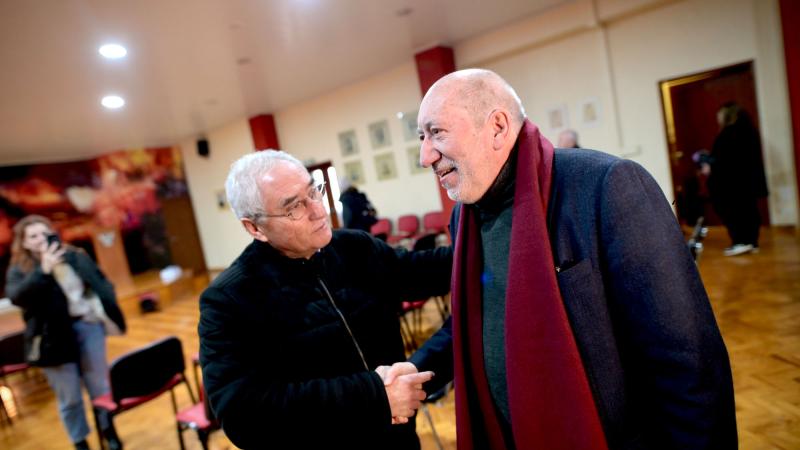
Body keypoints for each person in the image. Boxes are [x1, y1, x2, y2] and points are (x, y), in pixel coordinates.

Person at [381, 69, 737, 449]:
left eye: (436, 132)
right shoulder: (465, 218)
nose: (425, 156)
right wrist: (417, 368)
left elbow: (687, 361)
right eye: (421, 137)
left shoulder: (607, 185)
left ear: (497, 127)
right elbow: (477, 318)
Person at [197, 150, 452, 449]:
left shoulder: (354, 247)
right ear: (255, 227)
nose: (318, 210)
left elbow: (423, 271)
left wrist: (486, 243)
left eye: (313, 192)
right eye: (294, 207)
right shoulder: (229, 299)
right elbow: (243, 414)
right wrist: (374, 395)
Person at [5, 215, 126, 450]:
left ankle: (108, 431)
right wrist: (43, 270)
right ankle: (80, 442)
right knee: (70, 398)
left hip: (88, 326)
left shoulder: (73, 255)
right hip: (51, 339)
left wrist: (103, 306)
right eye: (33, 236)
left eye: (44, 233)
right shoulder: (19, 269)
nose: (40, 239)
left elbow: (100, 280)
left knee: (100, 387)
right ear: (24, 242)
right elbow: (18, 297)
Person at [703, 102, 768, 256]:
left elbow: (726, 160)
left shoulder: (729, 134)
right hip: (746, 181)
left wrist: (710, 165)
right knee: (748, 210)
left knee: (734, 211)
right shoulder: (748, 130)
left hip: (731, 184)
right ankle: (751, 242)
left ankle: (741, 241)